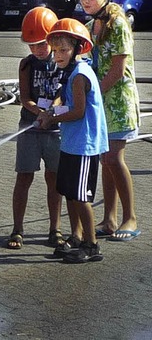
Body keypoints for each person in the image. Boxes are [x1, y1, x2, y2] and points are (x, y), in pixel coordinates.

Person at [76, 0, 141, 242]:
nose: (87, 1)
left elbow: (117, 69)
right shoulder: (91, 27)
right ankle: (109, 219)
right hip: (100, 104)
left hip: (118, 104)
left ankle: (131, 217)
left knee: (114, 158)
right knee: (105, 160)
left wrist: (94, 95)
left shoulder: (118, 24)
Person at [37, 18, 109, 263]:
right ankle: (76, 236)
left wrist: (52, 120)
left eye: (64, 50)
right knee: (69, 191)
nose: (58, 55)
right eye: (55, 50)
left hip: (84, 145)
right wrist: (50, 111)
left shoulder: (80, 75)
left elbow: (78, 111)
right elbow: (61, 99)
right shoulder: (69, 72)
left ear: (78, 48)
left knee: (82, 196)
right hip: (71, 143)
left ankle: (92, 245)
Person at [7, 7, 66, 250]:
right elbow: (25, 98)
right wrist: (39, 113)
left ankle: (55, 229)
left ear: (53, 40)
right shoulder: (26, 65)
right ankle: (17, 228)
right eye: (31, 45)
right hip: (30, 128)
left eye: (42, 44)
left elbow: (64, 94)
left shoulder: (63, 62)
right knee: (24, 177)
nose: (37, 50)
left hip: (56, 131)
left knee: (54, 180)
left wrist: (52, 112)